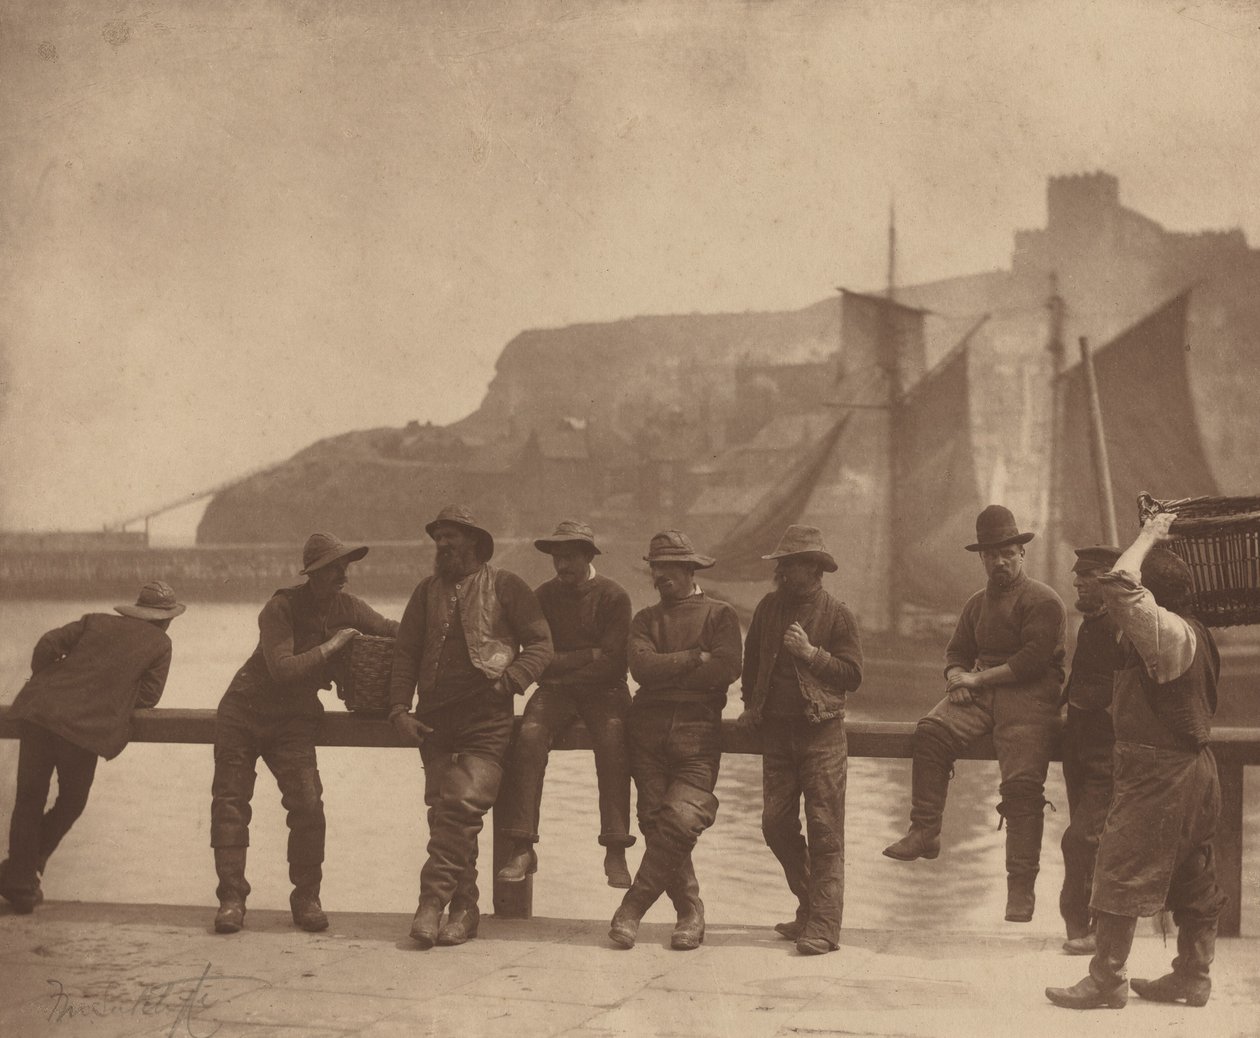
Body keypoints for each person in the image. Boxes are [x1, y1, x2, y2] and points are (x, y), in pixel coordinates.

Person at [1047, 512, 1226, 1010]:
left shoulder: (1167, 633)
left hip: (1158, 774)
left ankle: (1106, 980)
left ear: (1157, 597)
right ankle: (1193, 977)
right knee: (1193, 874)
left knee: (1118, 869)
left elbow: (1121, 586)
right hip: (1195, 773)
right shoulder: (1197, 631)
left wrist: (1148, 536)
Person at [883, 505, 1066, 924]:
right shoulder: (975, 604)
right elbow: (956, 652)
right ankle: (925, 831)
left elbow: (1033, 661)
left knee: (1021, 788)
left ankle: (1020, 889)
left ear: (1022, 553)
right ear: (981, 558)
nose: (1000, 561)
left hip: (1031, 697)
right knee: (930, 731)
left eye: (1007, 552)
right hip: (983, 693)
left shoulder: (1044, 600)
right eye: (990, 554)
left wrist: (976, 681)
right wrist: (955, 677)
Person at [209, 533, 398, 935]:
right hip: (242, 711)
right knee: (230, 802)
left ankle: (306, 897)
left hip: (293, 720)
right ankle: (231, 898)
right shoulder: (280, 607)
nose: (342, 577)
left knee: (308, 805)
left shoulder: (349, 607)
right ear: (313, 574)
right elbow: (283, 668)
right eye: (334, 569)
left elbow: (391, 630)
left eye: (344, 568)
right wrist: (335, 645)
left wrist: (434, 630)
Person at [388, 505, 552, 949]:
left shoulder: (507, 586)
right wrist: (400, 710)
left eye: (451, 537)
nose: (442, 545)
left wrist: (512, 682)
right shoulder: (425, 592)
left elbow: (540, 645)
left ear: (475, 543)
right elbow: (404, 654)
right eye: (438, 538)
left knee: (461, 806)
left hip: (487, 718)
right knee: (445, 814)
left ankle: (429, 905)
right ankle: (464, 910)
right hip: (434, 719)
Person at [0, 581, 185, 914]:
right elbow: (148, 696)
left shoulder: (95, 621)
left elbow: (46, 645)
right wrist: (109, 696)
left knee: (29, 799)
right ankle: (20, 876)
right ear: (166, 619)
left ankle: (19, 878)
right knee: (72, 800)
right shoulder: (161, 643)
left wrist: (53, 681)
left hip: (38, 713)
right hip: (83, 728)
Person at [608, 530, 742, 951]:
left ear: (689, 569)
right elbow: (641, 670)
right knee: (654, 822)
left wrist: (672, 671)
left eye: (669, 567)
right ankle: (690, 911)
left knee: (681, 820)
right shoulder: (645, 619)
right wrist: (690, 659)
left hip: (697, 733)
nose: (660, 575)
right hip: (646, 733)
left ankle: (632, 908)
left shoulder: (719, 615)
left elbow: (725, 669)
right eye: (655, 567)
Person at [738, 525, 863, 955]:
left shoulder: (838, 614)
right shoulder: (768, 609)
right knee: (775, 825)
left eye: (795, 564)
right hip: (777, 736)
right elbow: (751, 662)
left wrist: (811, 654)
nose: (786, 572)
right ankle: (810, 907)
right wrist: (750, 705)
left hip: (822, 735)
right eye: (783, 564)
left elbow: (853, 676)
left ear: (816, 569)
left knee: (826, 832)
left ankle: (824, 928)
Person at [496, 520, 635, 889]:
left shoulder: (614, 596)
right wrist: (581, 657)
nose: (562, 566)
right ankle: (523, 846)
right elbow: (538, 656)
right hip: (556, 692)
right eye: (557, 558)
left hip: (605, 691)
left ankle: (616, 848)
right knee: (528, 737)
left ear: (588, 556)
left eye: (570, 558)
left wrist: (562, 667)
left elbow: (613, 663)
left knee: (613, 740)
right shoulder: (541, 597)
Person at [1058, 545, 1125, 956]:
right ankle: (1082, 927)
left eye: (1089, 577)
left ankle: (1094, 926)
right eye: (1078, 577)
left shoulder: (1123, 628)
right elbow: (1080, 678)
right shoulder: (1090, 626)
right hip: (1077, 745)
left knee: (1086, 838)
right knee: (1085, 837)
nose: (1078, 582)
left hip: (1108, 748)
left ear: (1110, 583)